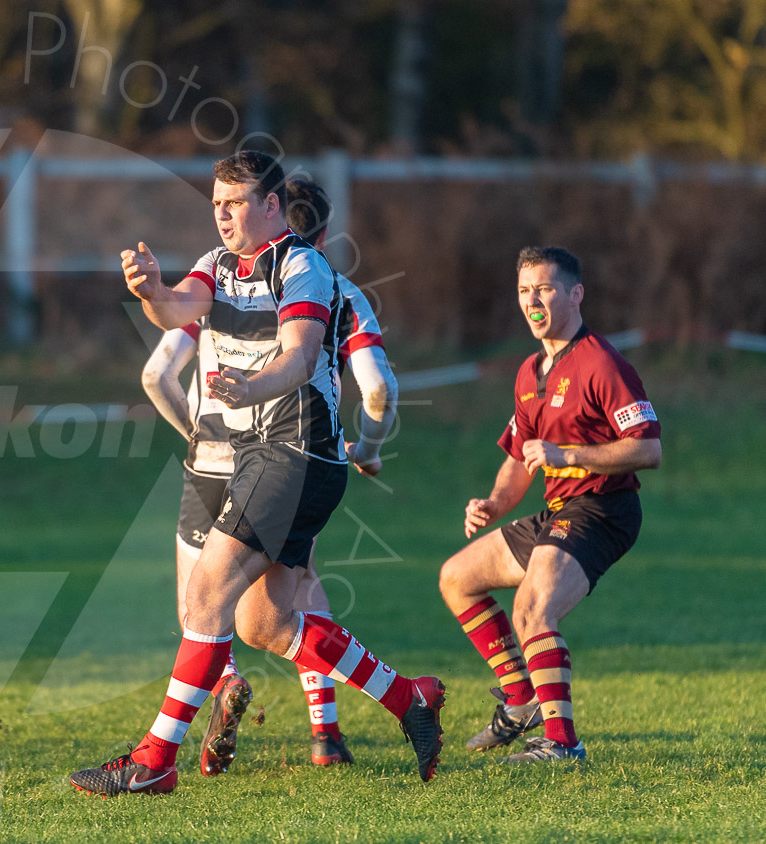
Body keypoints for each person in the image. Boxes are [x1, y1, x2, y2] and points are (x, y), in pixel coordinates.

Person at [70, 151, 442, 797]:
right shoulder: (217, 265)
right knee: (263, 624)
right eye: (216, 202)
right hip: (266, 457)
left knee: (206, 592)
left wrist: (249, 388)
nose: (222, 213)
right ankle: (407, 697)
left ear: (271, 206)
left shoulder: (302, 266)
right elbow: (178, 309)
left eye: (235, 202)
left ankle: (155, 761)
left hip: (296, 452)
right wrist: (152, 292)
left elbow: (299, 356)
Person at [142, 177, 400, 773]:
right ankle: (325, 732)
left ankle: (212, 698)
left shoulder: (224, 278)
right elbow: (379, 387)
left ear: (270, 212)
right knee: (296, 593)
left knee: (201, 602)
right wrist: (368, 448)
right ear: (325, 235)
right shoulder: (338, 290)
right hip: (295, 455)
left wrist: (196, 433)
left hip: (216, 455)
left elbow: (157, 375)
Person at [437, 246, 661, 764]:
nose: (532, 300)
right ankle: (521, 701)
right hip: (561, 510)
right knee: (456, 578)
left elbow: (648, 449)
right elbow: (522, 457)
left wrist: (570, 454)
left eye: (544, 289)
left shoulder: (601, 363)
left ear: (575, 294)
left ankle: (562, 744)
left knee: (533, 609)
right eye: (524, 290)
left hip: (604, 508)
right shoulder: (529, 371)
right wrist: (494, 503)